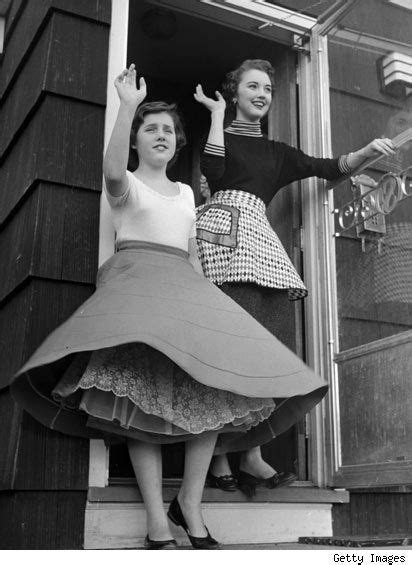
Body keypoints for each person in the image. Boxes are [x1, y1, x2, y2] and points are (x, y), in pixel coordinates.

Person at [10, 64, 331, 548]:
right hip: (137, 294)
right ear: (137, 139)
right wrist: (128, 107)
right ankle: (158, 521)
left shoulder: (186, 193)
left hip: (185, 292)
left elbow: (196, 251)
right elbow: (113, 169)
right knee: (138, 401)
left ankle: (191, 504)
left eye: (168, 130)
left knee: (215, 396)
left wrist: (212, 309)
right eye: (151, 128)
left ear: (179, 143)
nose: (161, 135)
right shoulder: (127, 187)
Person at [194, 58, 396, 496]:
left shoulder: (278, 153)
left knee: (265, 351)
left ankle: (249, 452)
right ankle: (218, 456)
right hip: (221, 241)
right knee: (225, 350)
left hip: (260, 245)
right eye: (252, 86)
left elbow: (326, 166)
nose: (262, 93)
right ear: (234, 93)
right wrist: (213, 117)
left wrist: (366, 153)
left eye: (268, 87)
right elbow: (211, 172)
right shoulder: (217, 135)